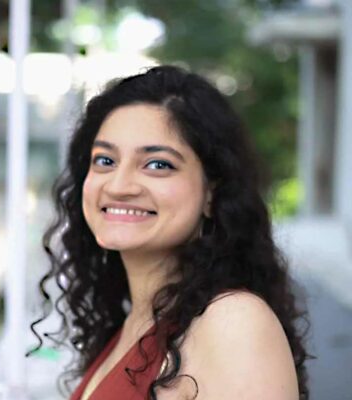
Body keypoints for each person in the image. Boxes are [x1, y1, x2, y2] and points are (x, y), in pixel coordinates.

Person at [30, 65, 312, 399]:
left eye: (158, 164)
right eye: (105, 160)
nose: (119, 186)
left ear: (212, 193)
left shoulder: (231, 322)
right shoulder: (132, 323)